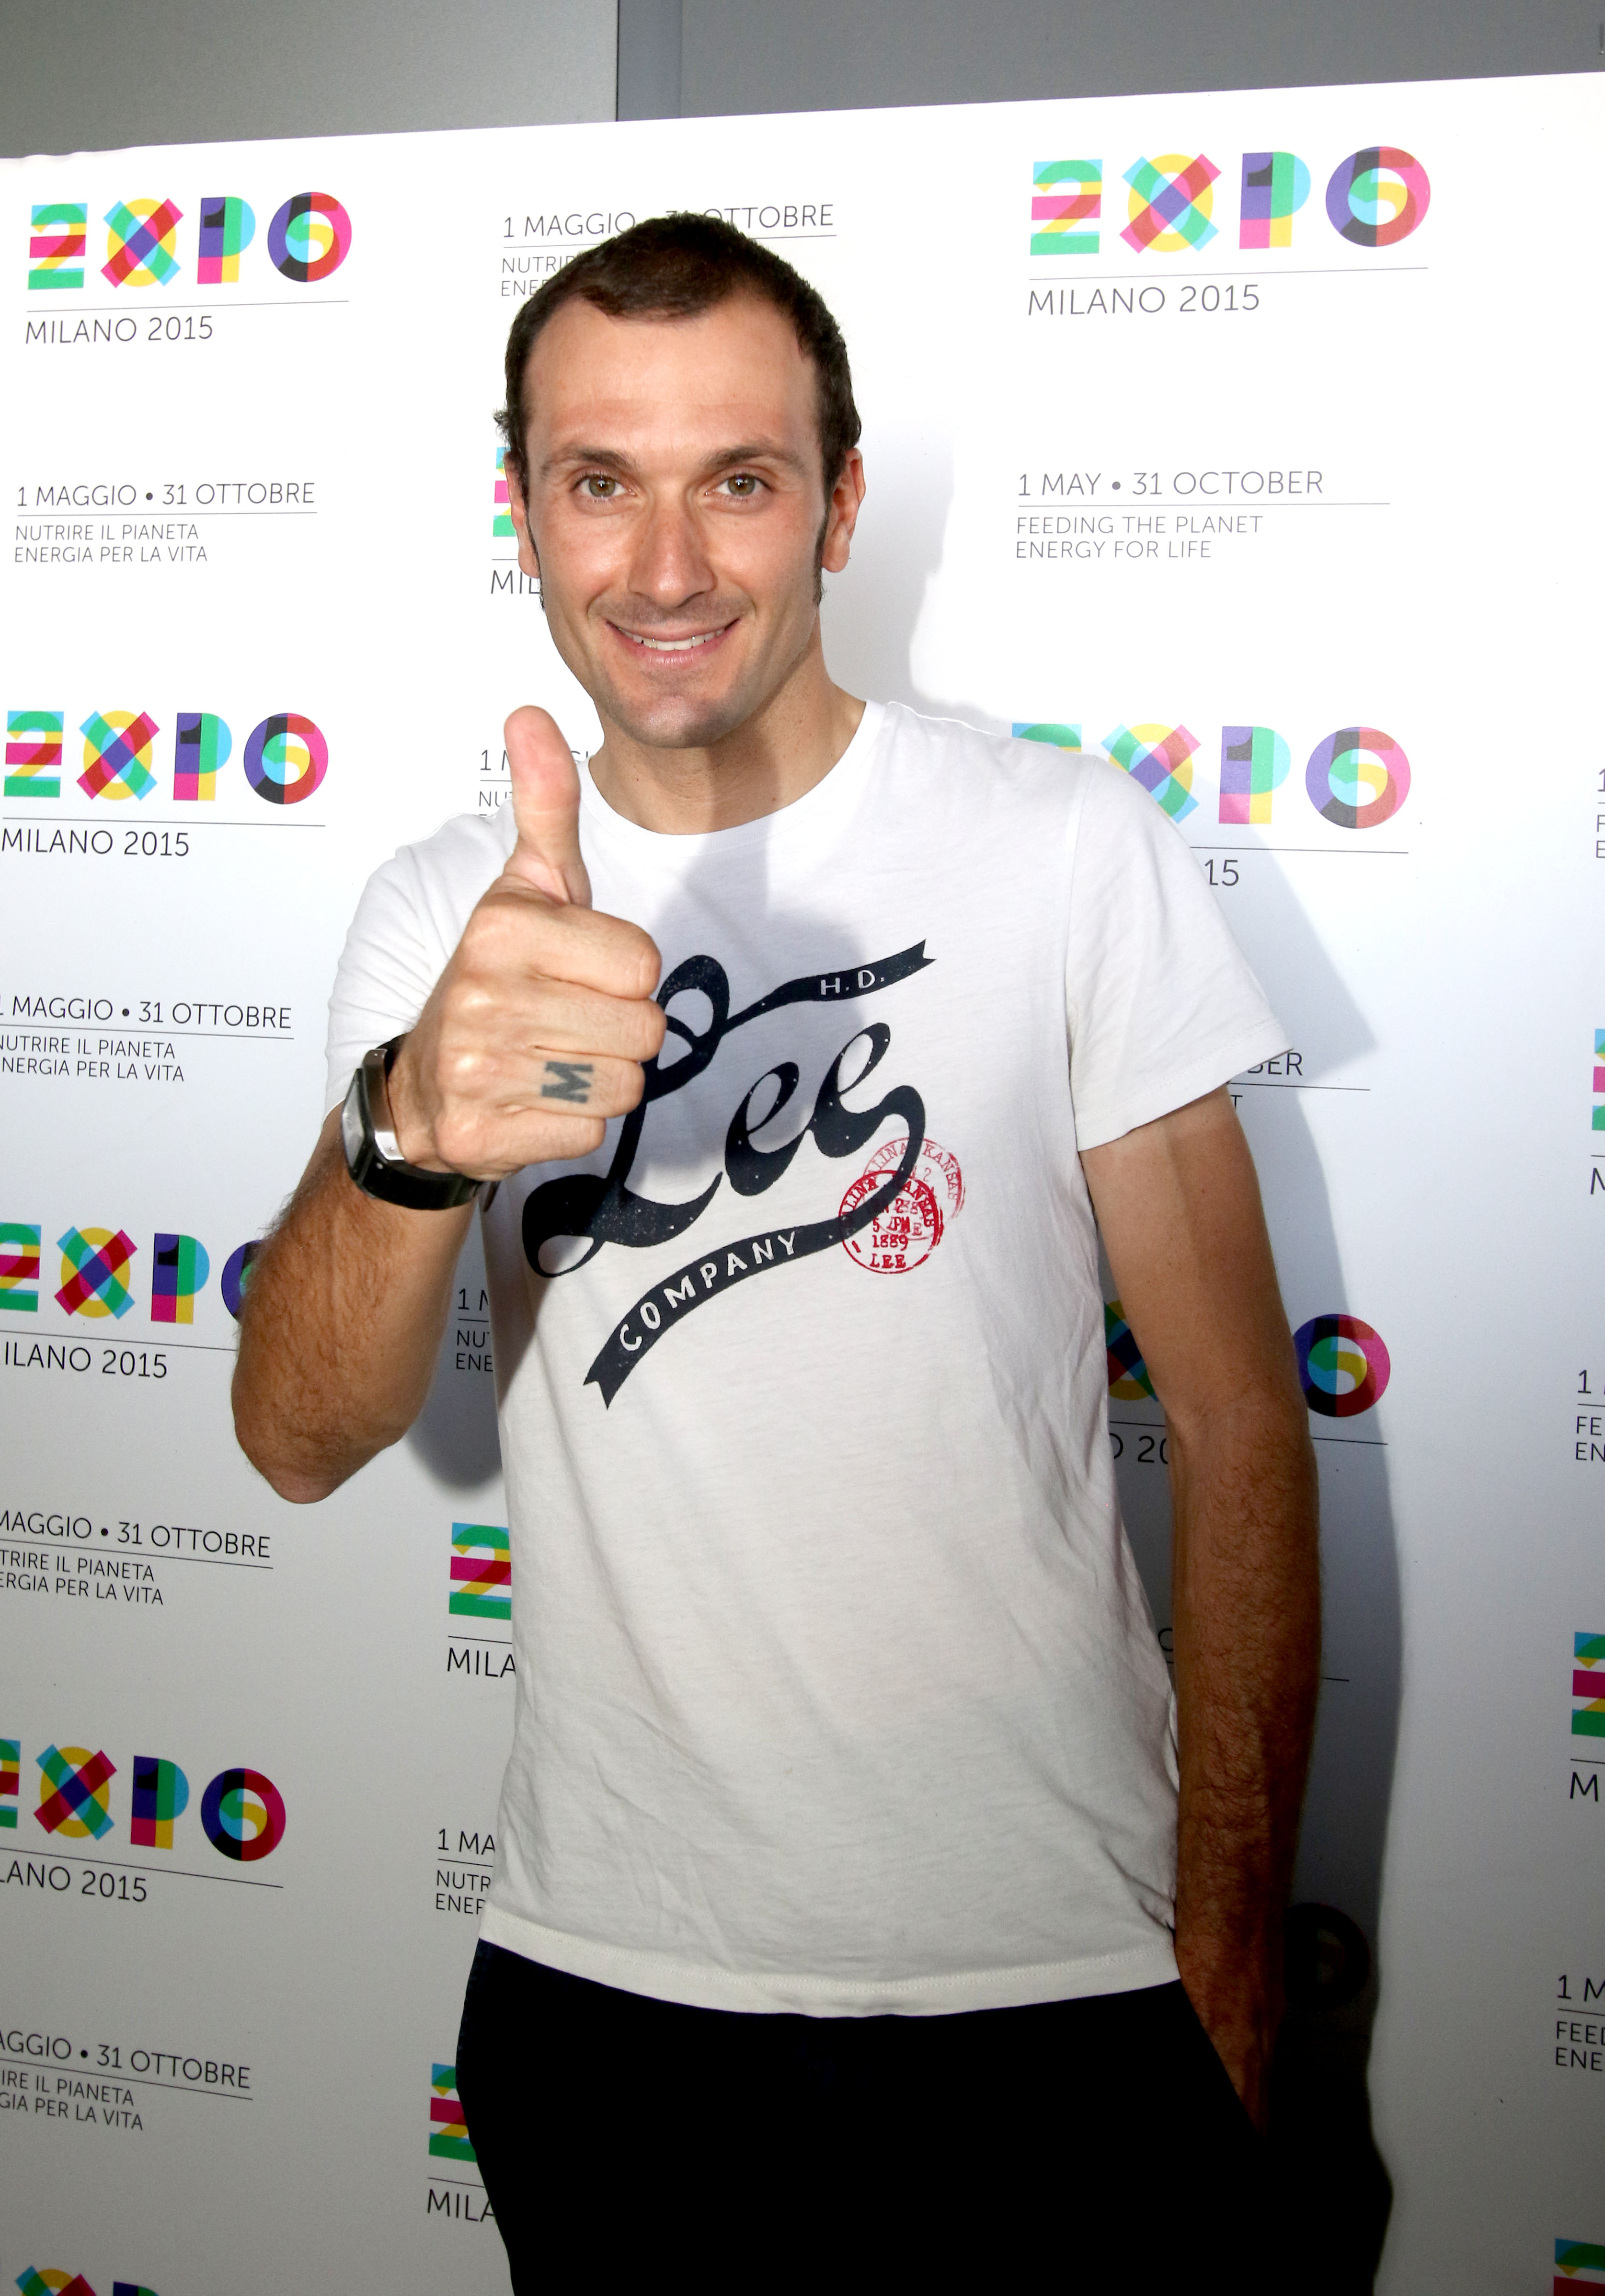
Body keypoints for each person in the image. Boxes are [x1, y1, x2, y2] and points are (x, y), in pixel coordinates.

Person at [232, 213, 1318, 2287]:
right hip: (611, 1994)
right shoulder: (446, 915)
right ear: (522, 513)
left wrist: (1231, 1953)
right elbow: (298, 1439)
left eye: (735, 478)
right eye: (599, 482)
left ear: (837, 503)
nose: (664, 566)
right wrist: (409, 1127)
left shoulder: (1061, 844)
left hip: (1062, 1981)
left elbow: (1239, 1426)